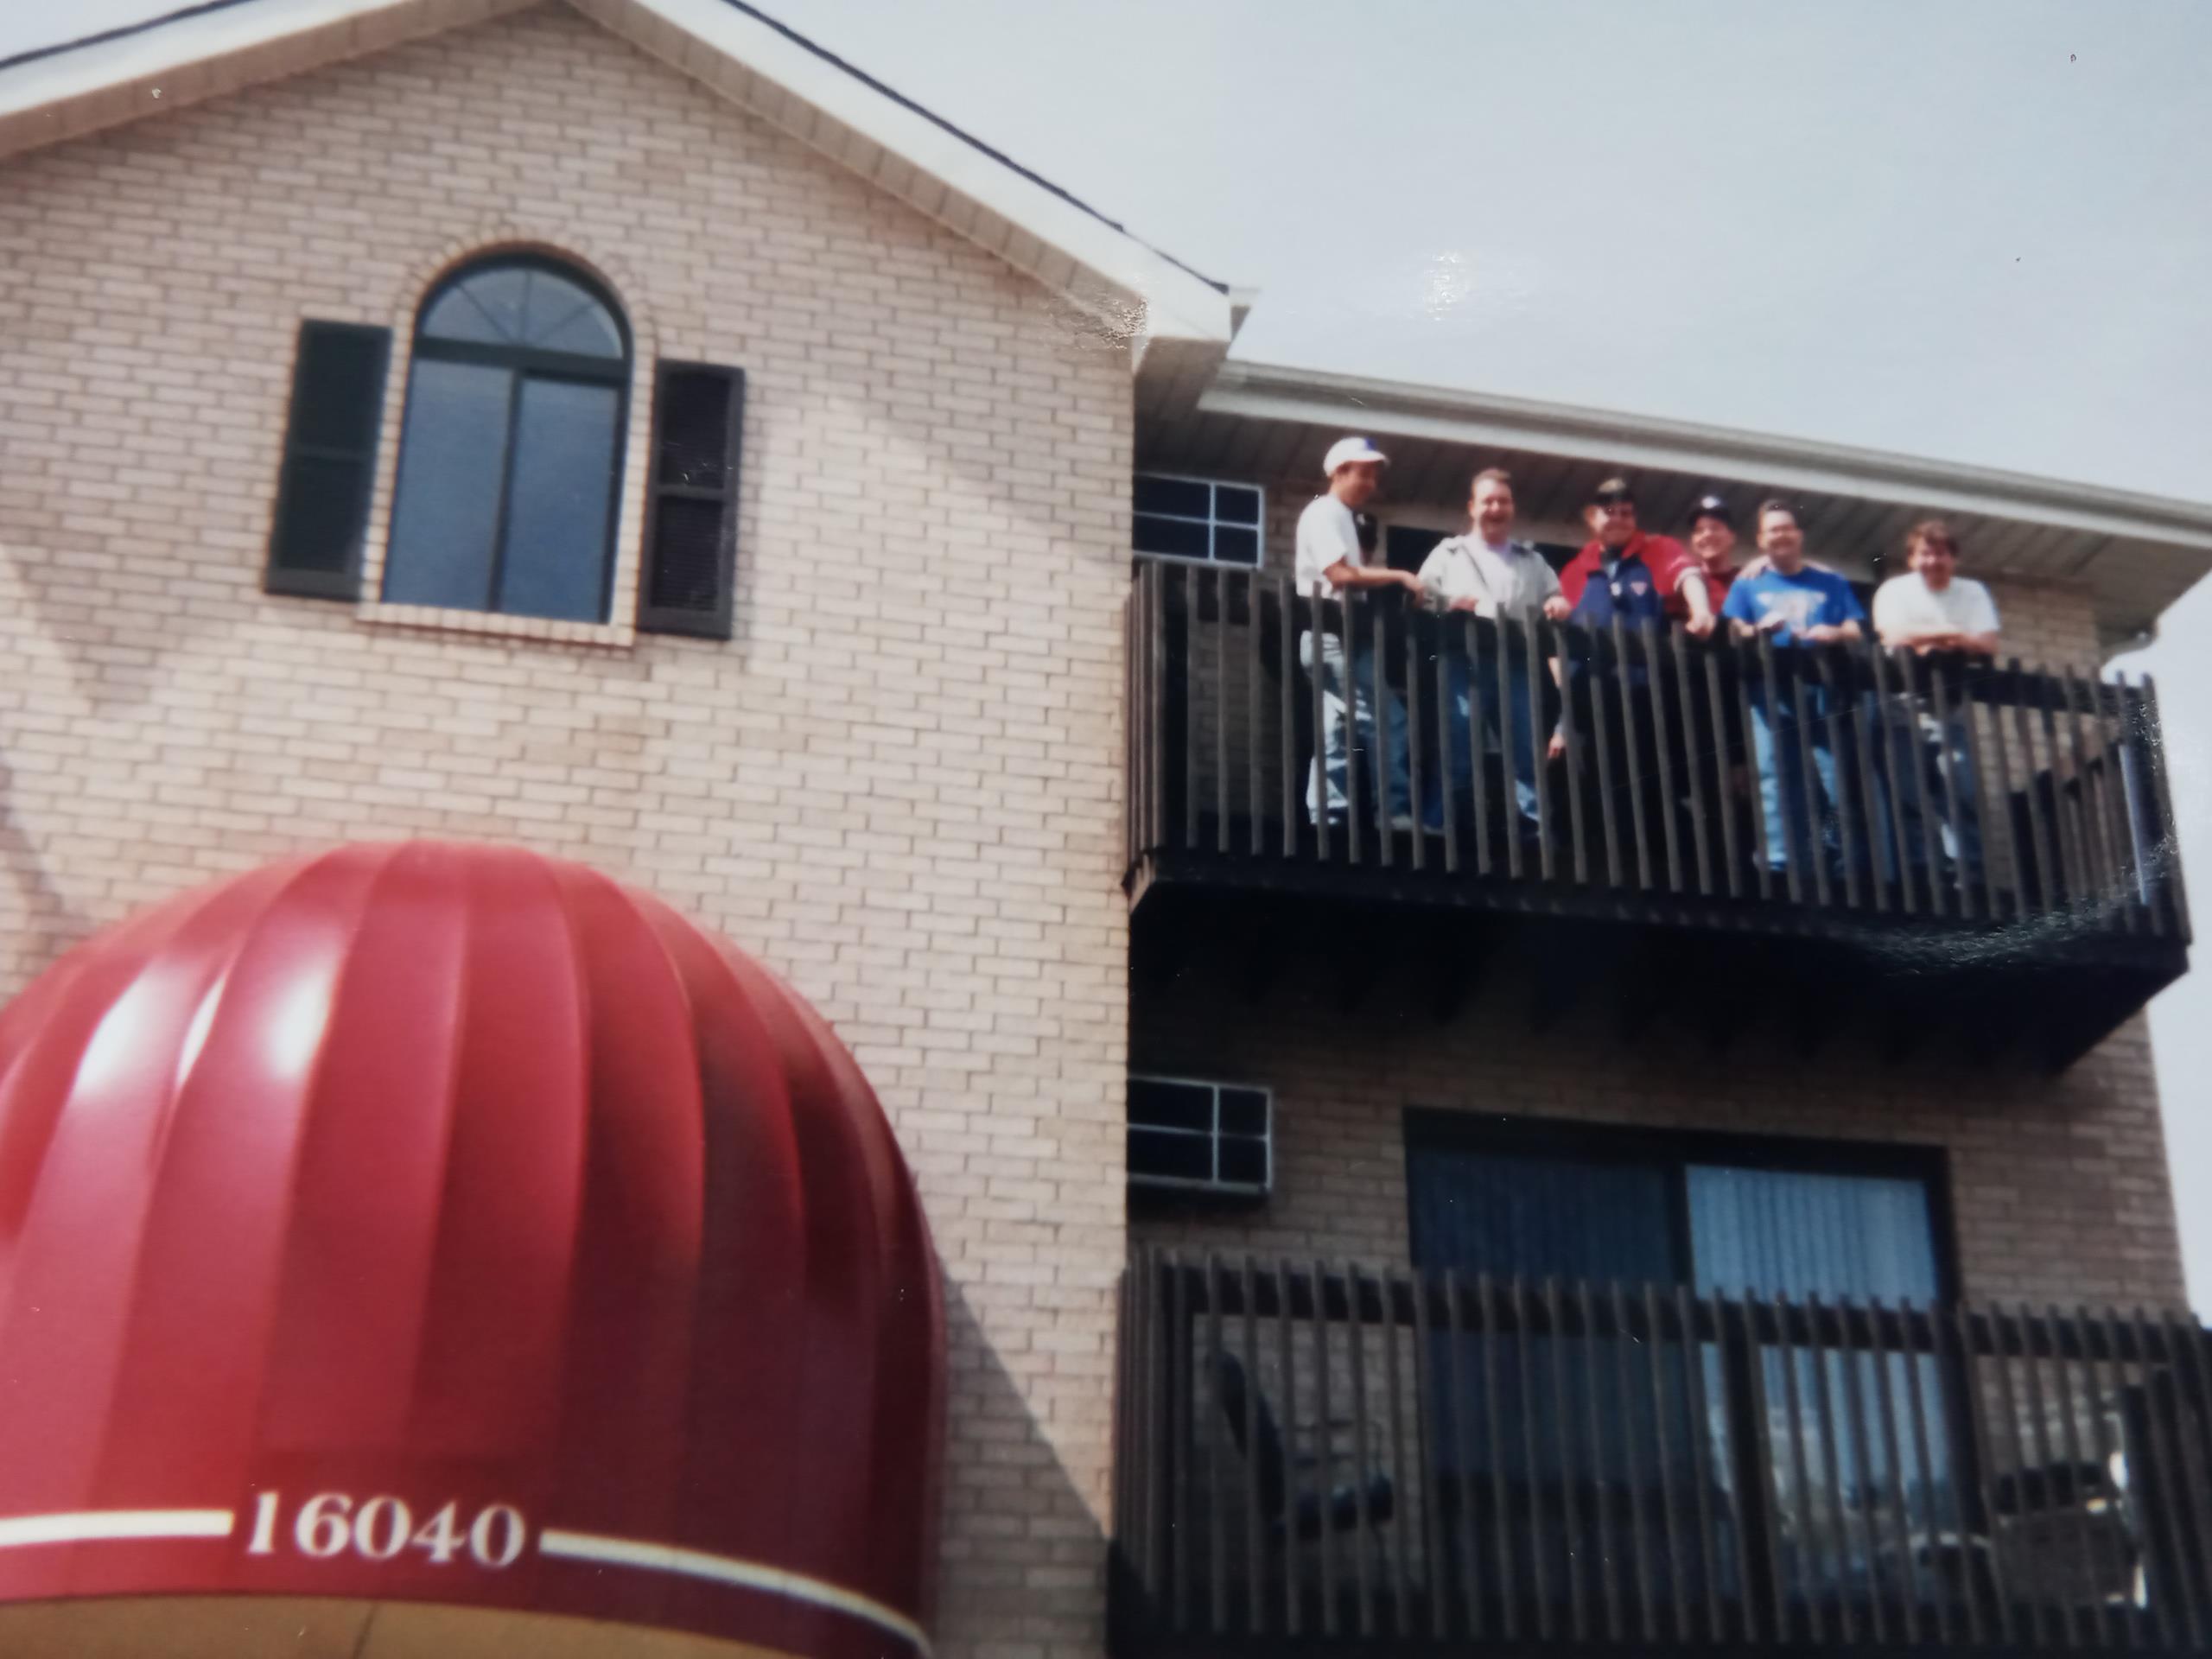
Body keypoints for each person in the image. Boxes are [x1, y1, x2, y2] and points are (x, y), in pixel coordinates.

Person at [1415, 467, 1569, 837]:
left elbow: (1554, 595)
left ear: (1512, 507)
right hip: (1461, 663)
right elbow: (1419, 594)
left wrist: (1559, 603)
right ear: (1472, 507)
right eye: (1487, 501)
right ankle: (1442, 825)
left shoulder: (1531, 560)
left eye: (1502, 501)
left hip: (1516, 666)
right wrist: (1449, 602)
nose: (1495, 508)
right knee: (1458, 748)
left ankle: (1534, 831)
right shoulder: (1448, 553)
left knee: (1525, 752)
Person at [1720, 500, 1868, 881]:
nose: (1781, 535)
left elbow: (1855, 629)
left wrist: (1833, 632)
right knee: (1774, 772)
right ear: (1761, 539)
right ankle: (1780, 861)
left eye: (1787, 528)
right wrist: (1758, 631)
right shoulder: (1748, 582)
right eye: (1773, 530)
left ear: (1799, 535)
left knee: (1832, 774)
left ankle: (1837, 858)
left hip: (1823, 686)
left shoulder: (1829, 581)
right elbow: (1734, 628)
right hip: (1770, 686)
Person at [1295, 436, 1422, 829]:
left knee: (1338, 728)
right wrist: (1402, 576)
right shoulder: (1326, 512)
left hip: (1331, 636)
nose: (1369, 482)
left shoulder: (1342, 517)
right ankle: (1394, 812)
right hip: (1333, 636)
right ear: (1338, 472)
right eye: (1362, 473)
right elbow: (1340, 574)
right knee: (1389, 720)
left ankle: (1327, 816)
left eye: (1373, 475)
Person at [1872, 518, 2000, 879]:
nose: (1933, 561)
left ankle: (1968, 872)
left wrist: (1928, 642)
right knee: (1909, 794)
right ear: (1912, 559)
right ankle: (1922, 871)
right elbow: (1892, 634)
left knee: (1959, 790)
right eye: (1925, 554)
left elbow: (1988, 643)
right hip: (1900, 703)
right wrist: (1952, 634)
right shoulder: (1895, 590)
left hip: (1949, 705)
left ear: (1953, 559)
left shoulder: (1971, 592)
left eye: (1940, 554)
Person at [1560, 478, 1718, 638]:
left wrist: (1701, 611)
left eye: (1626, 513)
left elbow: (1688, 575)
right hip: (1589, 661)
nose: (1618, 519)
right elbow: (1562, 623)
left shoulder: (1657, 548)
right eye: (1609, 512)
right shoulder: (1576, 568)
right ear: (1592, 517)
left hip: (1642, 660)